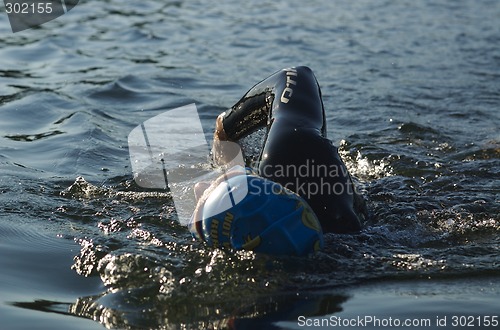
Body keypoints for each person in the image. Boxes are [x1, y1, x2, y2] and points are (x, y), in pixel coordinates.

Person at [189, 66, 367, 255]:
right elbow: (297, 75)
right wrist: (226, 136)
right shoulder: (297, 157)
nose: (198, 186)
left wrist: (224, 132)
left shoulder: (290, 152)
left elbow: (296, 74)